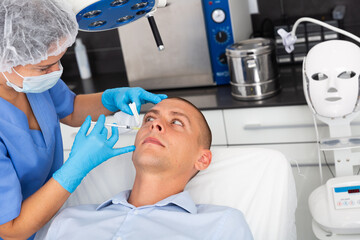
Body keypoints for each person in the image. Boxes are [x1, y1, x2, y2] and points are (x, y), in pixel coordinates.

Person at [0, 1, 167, 239]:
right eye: (45, 66)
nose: (56, 71)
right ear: (6, 59)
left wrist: (110, 99)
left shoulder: (28, 80)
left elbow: (71, 109)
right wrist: (76, 167)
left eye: (59, 60)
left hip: (52, 221)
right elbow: (10, 229)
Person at [43, 98, 254, 240]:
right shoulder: (70, 220)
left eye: (177, 122)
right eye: (150, 118)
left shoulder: (221, 224)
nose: (155, 125)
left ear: (202, 159)